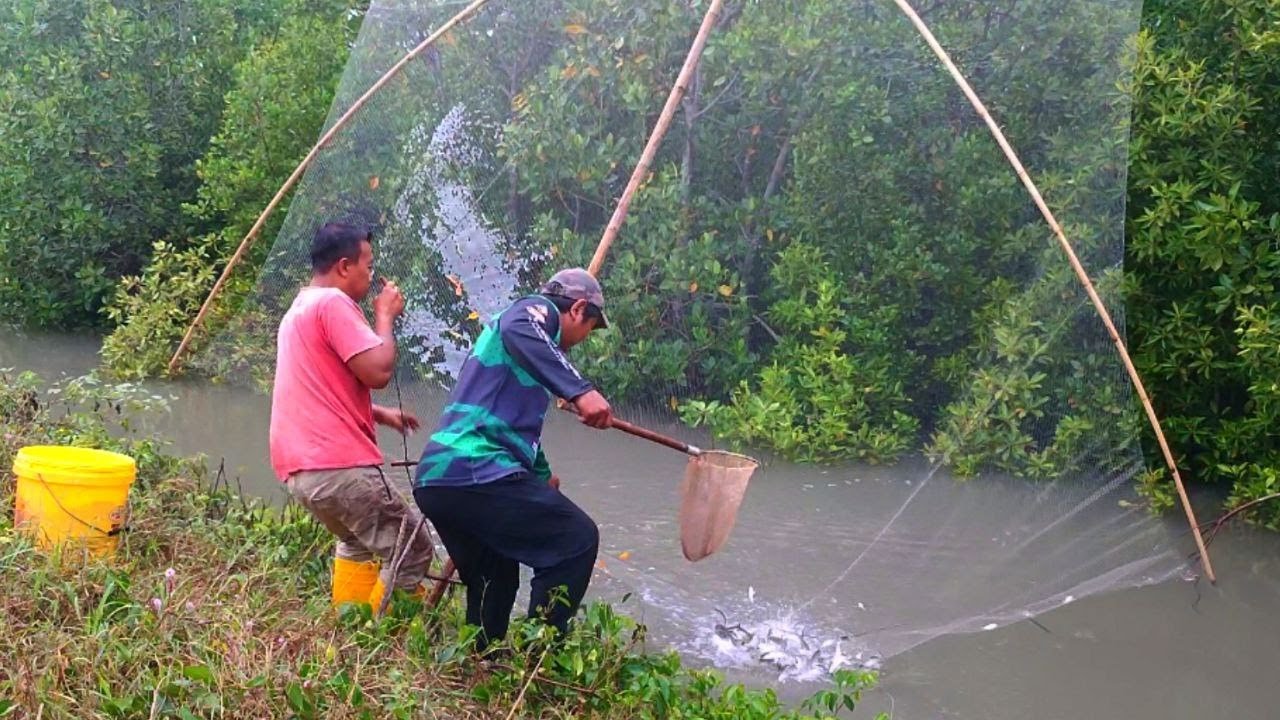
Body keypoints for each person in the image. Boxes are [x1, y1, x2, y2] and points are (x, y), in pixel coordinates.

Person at [413, 268, 613, 650]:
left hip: (440, 478)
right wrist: (580, 390)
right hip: (475, 467)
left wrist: (542, 474)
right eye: (591, 326)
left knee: (495, 575)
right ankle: (539, 658)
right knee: (576, 539)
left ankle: (479, 661)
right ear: (579, 309)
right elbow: (520, 324)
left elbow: (508, 424)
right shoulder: (536, 314)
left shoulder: (532, 359)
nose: (586, 338)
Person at [269, 221, 434, 599]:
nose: (370, 275)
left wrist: (378, 413)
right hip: (339, 467)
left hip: (302, 471)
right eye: (368, 266)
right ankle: (384, 642)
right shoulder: (333, 303)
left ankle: (350, 633)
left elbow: (313, 389)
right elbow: (378, 370)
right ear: (344, 266)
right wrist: (385, 316)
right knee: (412, 550)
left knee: (357, 542)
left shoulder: (300, 307)